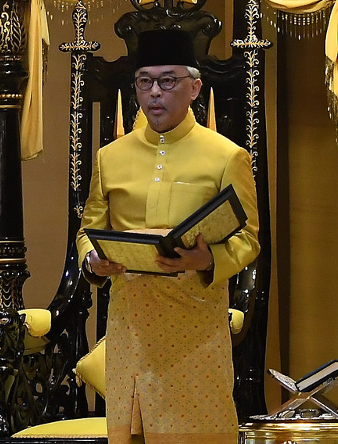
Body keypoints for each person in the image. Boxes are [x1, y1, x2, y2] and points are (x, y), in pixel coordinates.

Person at [76, 28, 260, 444]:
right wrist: (94, 261)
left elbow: (249, 237)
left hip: (194, 331)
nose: (154, 93)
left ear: (194, 87)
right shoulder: (111, 157)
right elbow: (90, 228)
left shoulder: (226, 156)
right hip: (130, 327)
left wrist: (207, 259)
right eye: (145, 82)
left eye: (167, 81)